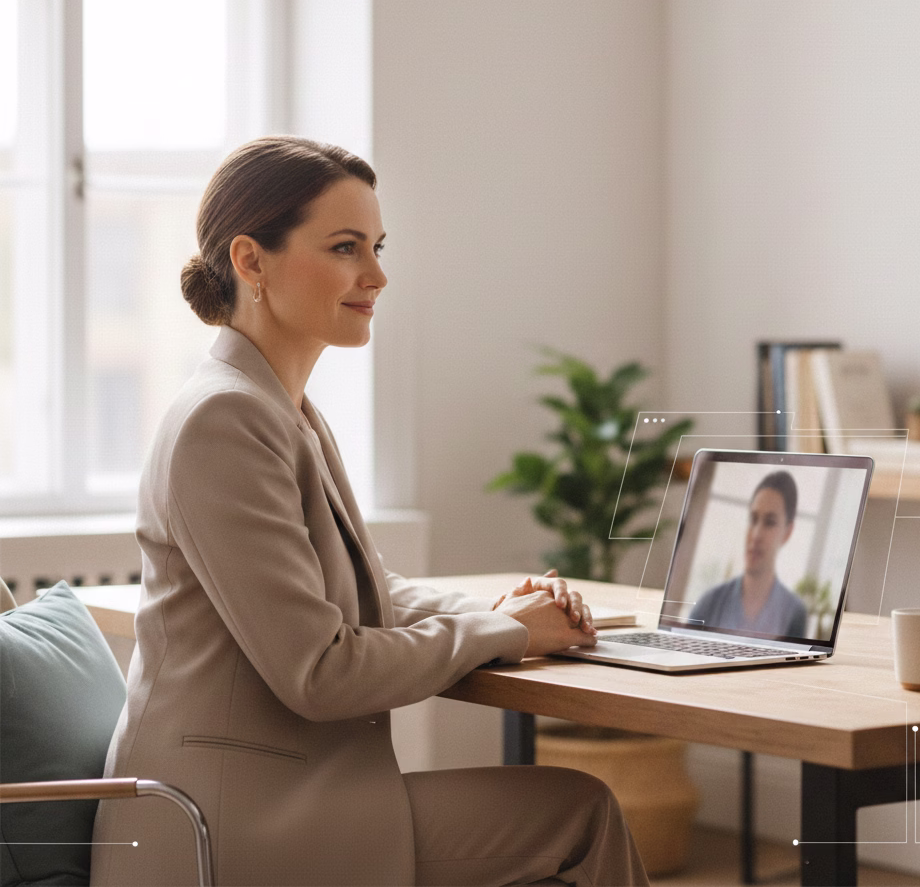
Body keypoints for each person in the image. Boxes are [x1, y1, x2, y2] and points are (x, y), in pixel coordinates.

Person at [90, 136, 648, 887]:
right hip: (221, 825)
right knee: (578, 814)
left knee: (569, 812)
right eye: (347, 247)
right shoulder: (224, 422)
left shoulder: (279, 408)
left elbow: (368, 594)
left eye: (377, 246)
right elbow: (319, 670)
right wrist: (506, 631)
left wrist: (502, 609)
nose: (378, 275)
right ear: (251, 261)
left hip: (273, 797)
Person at [688, 470, 807, 639]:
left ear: (788, 532)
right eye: (753, 519)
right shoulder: (709, 604)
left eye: (770, 522)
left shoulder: (794, 613)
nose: (756, 535)